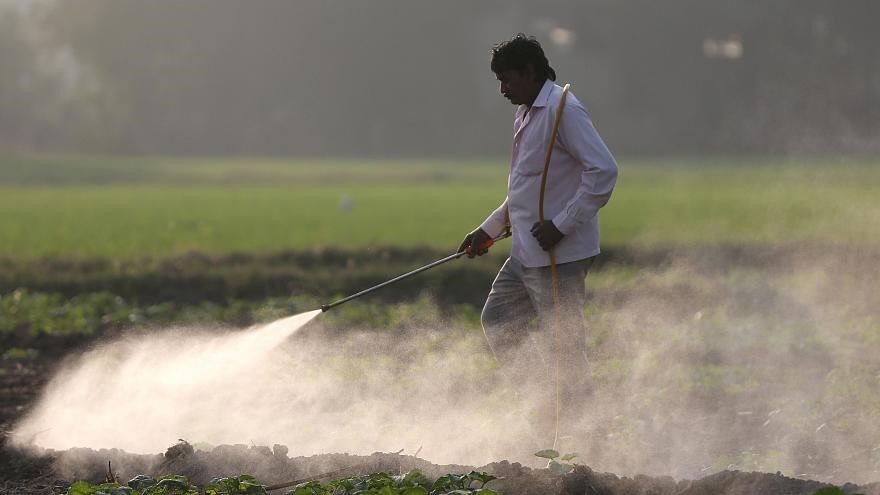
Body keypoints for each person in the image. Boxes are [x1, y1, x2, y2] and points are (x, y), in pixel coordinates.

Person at [458, 33, 618, 435]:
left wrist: (561, 224)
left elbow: (604, 171)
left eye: (507, 79)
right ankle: (543, 404)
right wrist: (488, 229)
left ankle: (585, 442)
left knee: (565, 349)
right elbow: (525, 189)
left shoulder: (564, 111)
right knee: (497, 319)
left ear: (530, 73)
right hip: (527, 253)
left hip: (559, 256)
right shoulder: (528, 112)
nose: (502, 89)